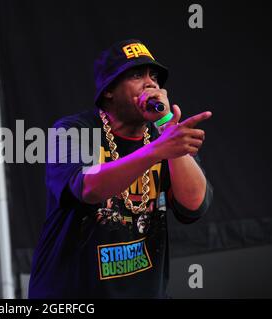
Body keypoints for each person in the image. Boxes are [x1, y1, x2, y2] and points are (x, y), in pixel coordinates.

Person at [28, 39, 213, 298]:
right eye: (137, 75)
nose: (151, 83)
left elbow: (194, 205)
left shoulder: (166, 138)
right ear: (108, 90)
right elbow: (88, 188)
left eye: (154, 77)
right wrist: (158, 150)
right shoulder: (72, 130)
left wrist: (168, 129)